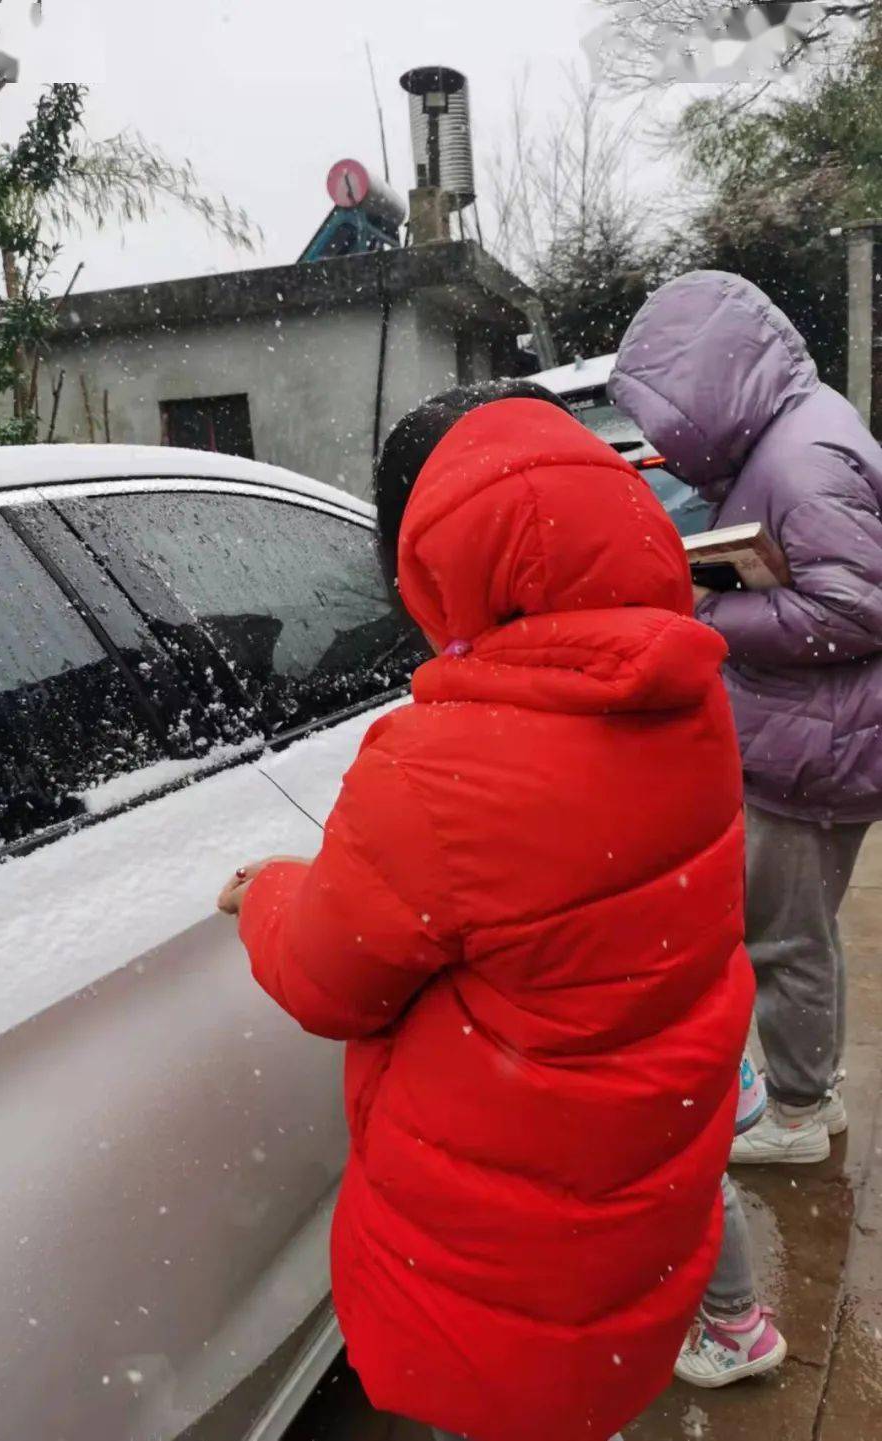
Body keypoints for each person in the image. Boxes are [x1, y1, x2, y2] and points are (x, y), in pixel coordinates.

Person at [218, 379, 756, 1441]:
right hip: (627, 1204)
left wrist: (266, 892)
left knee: (506, 1404)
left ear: (437, 560)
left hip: (501, 1261)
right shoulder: (687, 697)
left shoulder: (439, 768)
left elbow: (328, 978)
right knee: (582, 1394)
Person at [610, 271, 882, 1166]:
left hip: (816, 751)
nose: (661, 439)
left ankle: (799, 1114)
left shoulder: (799, 457)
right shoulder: (802, 429)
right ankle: (817, 1093)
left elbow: (854, 611)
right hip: (821, 736)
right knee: (800, 929)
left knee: (783, 936)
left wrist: (706, 613)